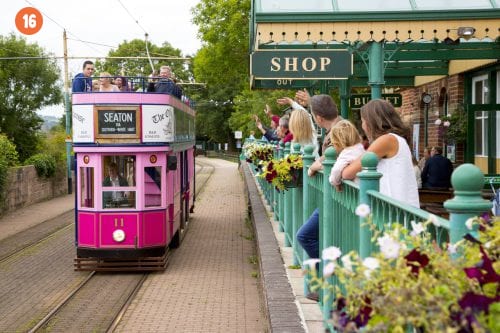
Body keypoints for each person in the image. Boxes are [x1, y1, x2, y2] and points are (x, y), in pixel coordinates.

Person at [295, 94, 341, 302]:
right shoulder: (338, 128)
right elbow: (331, 154)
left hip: (338, 198)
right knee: (310, 236)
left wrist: (314, 165)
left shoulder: (339, 130)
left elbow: (338, 155)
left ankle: (329, 280)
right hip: (332, 196)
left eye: (314, 116)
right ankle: (327, 281)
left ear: (319, 118)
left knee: (305, 236)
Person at [342, 99, 420, 208]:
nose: (363, 125)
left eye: (363, 121)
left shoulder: (387, 140)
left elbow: (347, 173)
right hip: (399, 208)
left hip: (394, 211)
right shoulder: (395, 139)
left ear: (371, 122)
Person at [328, 120, 365, 191]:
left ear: (338, 142)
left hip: (356, 189)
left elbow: (336, 170)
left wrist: (335, 182)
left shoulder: (346, 153)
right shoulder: (360, 148)